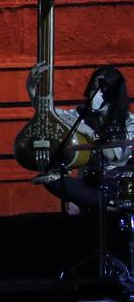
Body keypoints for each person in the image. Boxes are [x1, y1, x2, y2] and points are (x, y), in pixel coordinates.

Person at [28, 63, 133, 210]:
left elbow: (114, 156)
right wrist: (32, 90)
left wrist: (89, 133)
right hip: (89, 184)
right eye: (92, 89)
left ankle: (107, 205)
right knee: (50, 180)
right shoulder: (80, 115)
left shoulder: (129, 121)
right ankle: (103, 205)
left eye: (102, 89)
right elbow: (50, 115)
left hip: (117, 185)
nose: (95, 94)